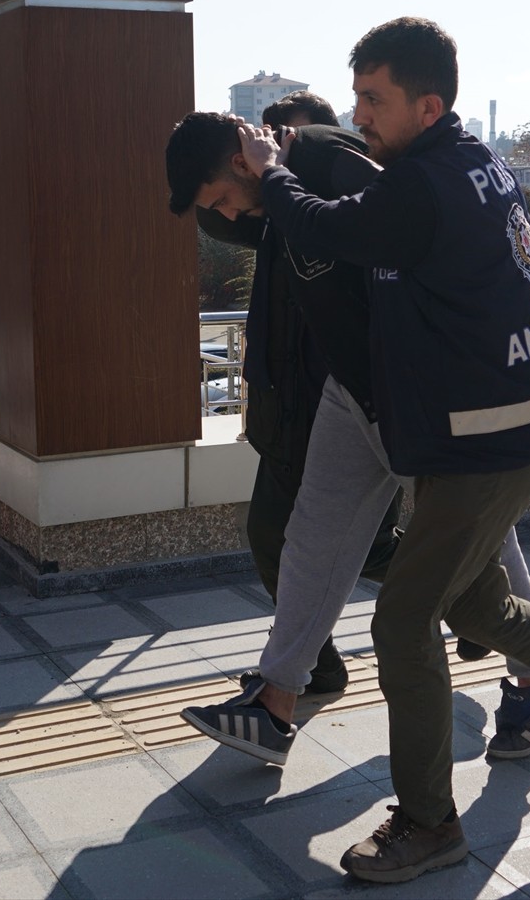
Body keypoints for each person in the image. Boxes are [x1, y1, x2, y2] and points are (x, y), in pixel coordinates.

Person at [213, 17, 530, 885]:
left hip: (489, 440)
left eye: (374, 100)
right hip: (514, 426)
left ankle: (430, 824)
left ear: (429, 104)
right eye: (354, 98)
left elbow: (325, 228)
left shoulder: (421, 187)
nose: (361, 117)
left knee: (403, 621)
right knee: (476, 609)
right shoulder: (469, 163)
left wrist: (271, 173)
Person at [170, 105, 530, 763]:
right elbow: (257, 223)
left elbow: (410, 246)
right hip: (352, 385)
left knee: (483, 540)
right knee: (314, 536)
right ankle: (274, 703)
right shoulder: (272, 191)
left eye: (224, 196)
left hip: (409, 386)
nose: (232, 216)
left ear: (245, 162)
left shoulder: (334, 165)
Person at [183, 99, 402, 695]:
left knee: (372, 548)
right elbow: (221, 217)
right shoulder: (276, 209)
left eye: (286, 142)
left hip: (353, 404)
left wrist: (272, 173)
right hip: (289, 408)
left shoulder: (331, 189)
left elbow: (402, 239)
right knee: (279, 539)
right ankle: (310, 666)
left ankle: (492, 616)